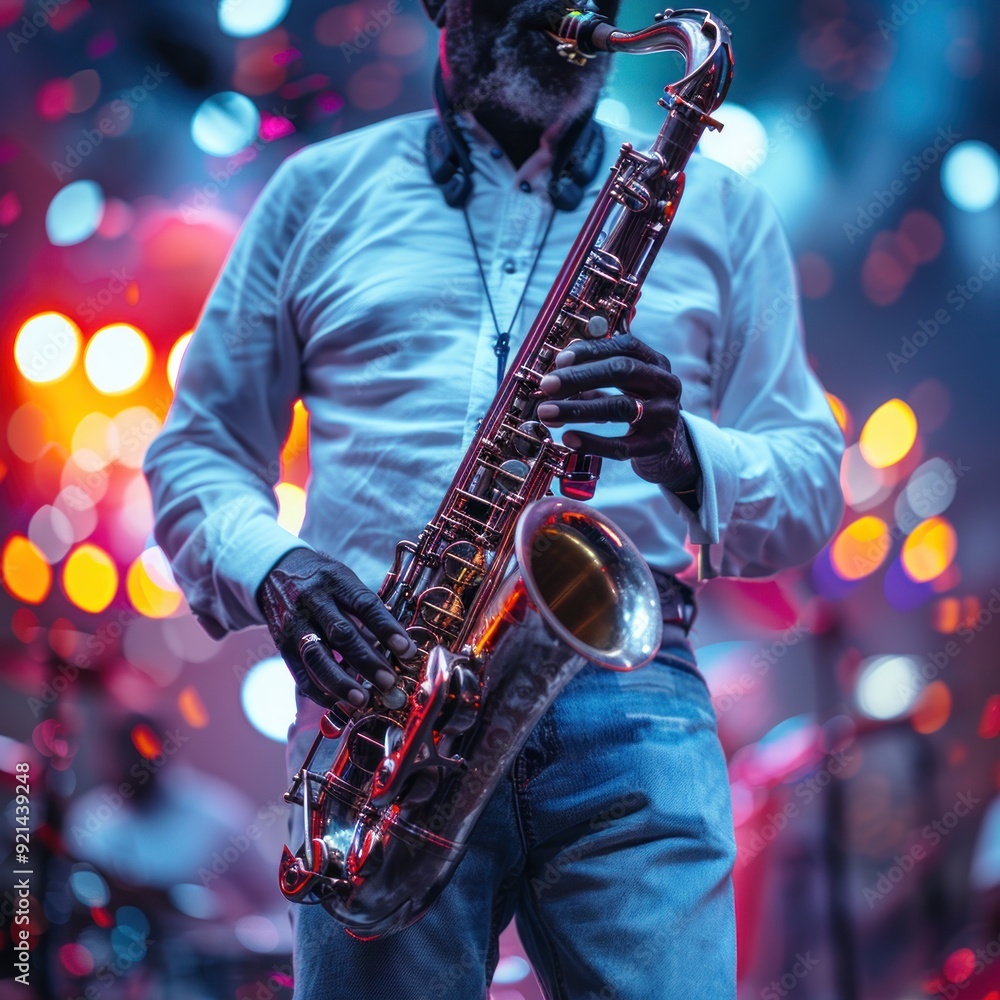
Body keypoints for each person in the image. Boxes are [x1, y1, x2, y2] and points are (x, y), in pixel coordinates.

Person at [143, 0, 845, 995]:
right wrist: (275, 568)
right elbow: (198, 450)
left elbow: (811, 483)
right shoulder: (315, 194)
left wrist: (677, 445)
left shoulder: (723, 209)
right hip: (381, 712)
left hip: (631, 689)